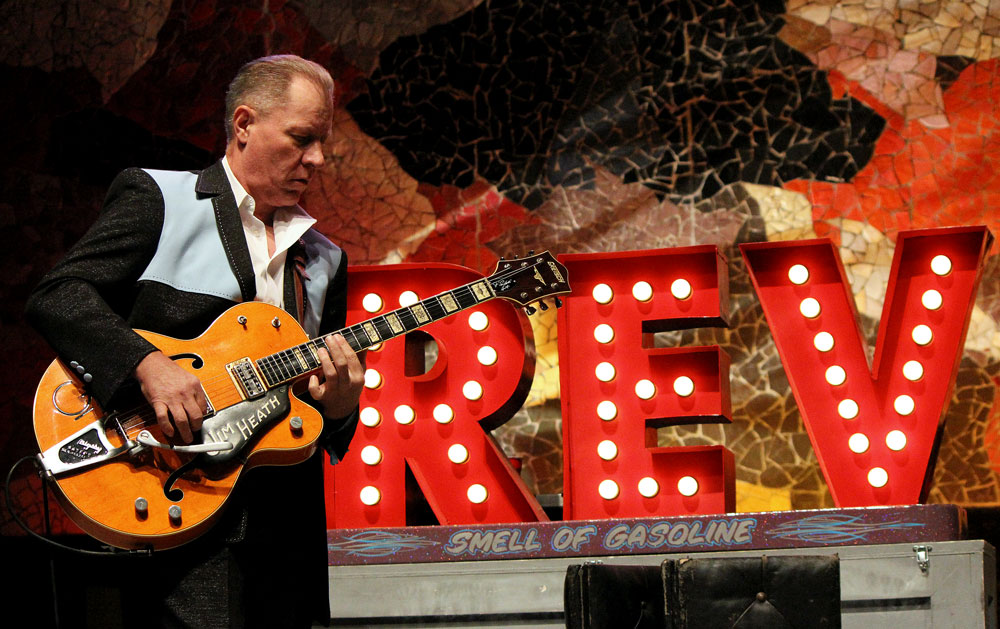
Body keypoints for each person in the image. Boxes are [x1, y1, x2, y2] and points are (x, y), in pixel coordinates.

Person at [25, 54, 364, 628]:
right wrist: (145, 363)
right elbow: (58, 294)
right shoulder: (160, 198)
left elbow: (323, 415)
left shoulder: (324, 257)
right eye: (302, 138)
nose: (318, 159)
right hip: (178, 505)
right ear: (244, 125)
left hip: (286, 531)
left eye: (322, 142)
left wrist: (341, 406)